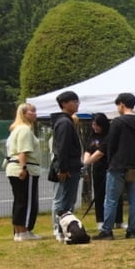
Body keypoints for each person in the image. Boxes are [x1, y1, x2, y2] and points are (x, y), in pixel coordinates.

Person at [92, 93, 135, 240]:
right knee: (134, 199)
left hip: (118, 165)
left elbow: (110, 144)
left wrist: (109, 160)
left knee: (111, 199)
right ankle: (131, 230)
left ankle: (107, 231)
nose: (117, 108)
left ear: (122, 105)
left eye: (118, 105)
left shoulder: (118, 122)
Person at [5, 102, 44, 241]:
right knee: (27, 201)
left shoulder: (15, 129)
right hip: (24, 168)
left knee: (19, 200)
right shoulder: (25, 129)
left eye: (35, 111)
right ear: (23, 114)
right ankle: (24, 231)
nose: (34, 114)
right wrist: (23, 168)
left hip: (12, 168)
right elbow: (23, 150)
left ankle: (18, 232)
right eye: (31, 111)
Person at [49, 90, 83, 238]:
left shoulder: (67, 121)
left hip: (70, 166)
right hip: (67, 167)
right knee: (63, 200)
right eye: (73, 101)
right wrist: (63, 168)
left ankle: (66, 227)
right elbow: (62, 147)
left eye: (77, 101)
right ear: (64, 104)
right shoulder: (64, 123)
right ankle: (59, 228)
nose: (77, 104)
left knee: (68, 199)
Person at [84, 113, 122, 230]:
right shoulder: (92, 136)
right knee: (99, 196)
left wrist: (88, 161)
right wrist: (86, 162)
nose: (95, 127)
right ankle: (100, 220)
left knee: (114, 195)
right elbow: (88, 150)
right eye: (93, 125)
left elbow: (101, 152)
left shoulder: (109, 136)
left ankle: (118, 220)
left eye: (97, 125)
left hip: (110, 168)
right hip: (97, 169)